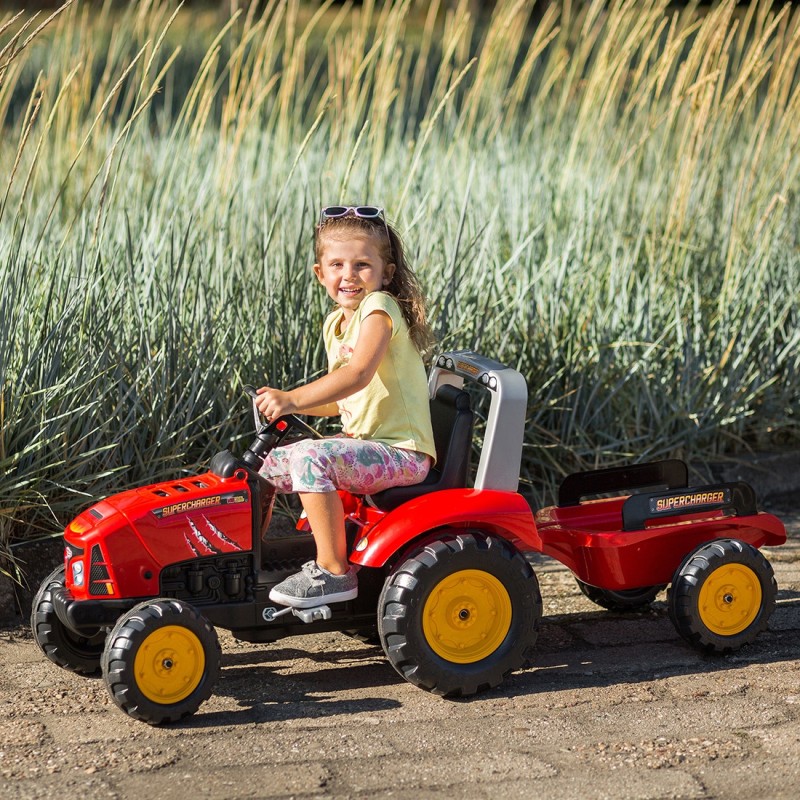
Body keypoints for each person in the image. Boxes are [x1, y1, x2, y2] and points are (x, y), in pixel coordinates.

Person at [255, 205, 436, 608]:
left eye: (362, 265)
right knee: (268, 464)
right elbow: (342, 399)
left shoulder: (379, 308)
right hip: (367, 447)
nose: (349, 275)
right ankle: (254, 557)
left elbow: (357, 374)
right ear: (320, 273)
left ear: (386, 273)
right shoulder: (336, 322)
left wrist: (292, 397)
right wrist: (289, 408)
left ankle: (333, 572)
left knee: (310, 459)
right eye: (337, 264)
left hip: (401, 452)